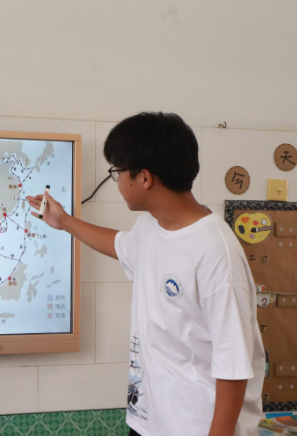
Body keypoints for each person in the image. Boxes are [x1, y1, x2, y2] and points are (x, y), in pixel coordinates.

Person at [27, 112, 264, 436]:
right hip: (148, 423)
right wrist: (65, 222)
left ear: (144, 178)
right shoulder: (151, 227)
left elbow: (233, 366)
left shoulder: (215, 253)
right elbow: (121, 246)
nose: (116, 181)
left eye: (117, 171)